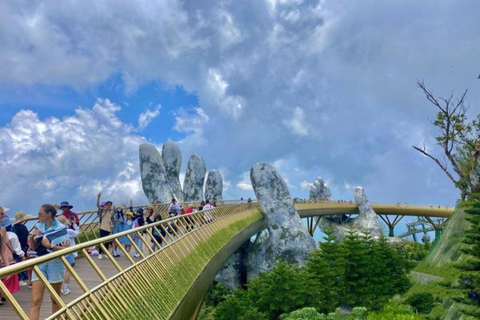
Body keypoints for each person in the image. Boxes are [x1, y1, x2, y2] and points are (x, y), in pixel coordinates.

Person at [29, 204, 70, 320]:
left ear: (49, 214)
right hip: (40, 263)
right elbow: (33, 248)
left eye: (40, 213)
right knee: (35, 300)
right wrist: (32, 238)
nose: (38, 216)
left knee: (55, 299)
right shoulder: (39, 227)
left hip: (55, 263)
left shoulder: (61, 229)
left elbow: (67, 250)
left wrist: (50, 246)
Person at [56, 215, 79, 296]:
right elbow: (77, 233)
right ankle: (66, 288)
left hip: (59, 253)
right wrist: (75, 224)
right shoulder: (69, 231)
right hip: (68, 253)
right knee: (68, 270)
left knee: (59, 271)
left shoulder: (55, 233)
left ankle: (58, 288)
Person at [11, 211, 32, 286]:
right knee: (22, 262)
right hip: (22, 247)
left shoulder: (13, 227)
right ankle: (21, 279)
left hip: (14, 247)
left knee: (16, 262)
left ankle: (17, 279)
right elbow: (24, 237)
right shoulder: (22, 227)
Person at [96, 192, 114, 260]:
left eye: (110, 205)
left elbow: (112, 222)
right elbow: (98, 206)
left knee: (107, 242)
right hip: (102, 227)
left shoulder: (112, 212)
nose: (109, 206)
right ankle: (100, 253)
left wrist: (111, 230)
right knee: (101, 241)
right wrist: (98, 198)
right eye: (108, 205)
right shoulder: (103, 211)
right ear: (106, 205)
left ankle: (105, 253)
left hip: (108, 228)